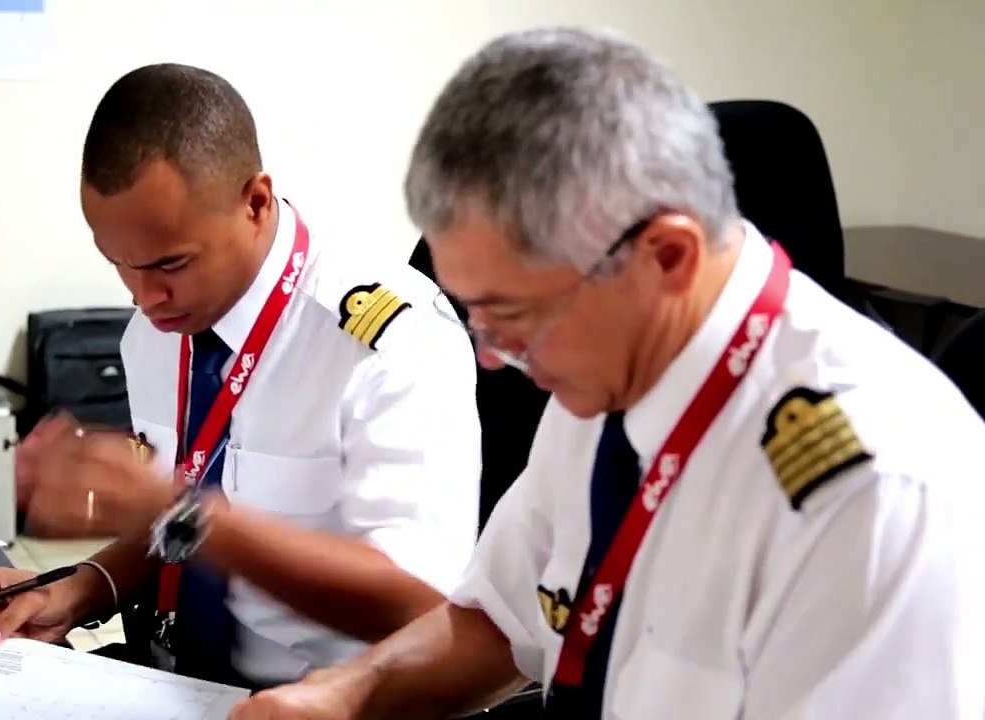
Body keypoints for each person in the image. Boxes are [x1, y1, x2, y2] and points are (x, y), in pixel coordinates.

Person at [228, 26, 985, 719]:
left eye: (513, 316)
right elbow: (500, 618)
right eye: (475, 318)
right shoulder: (611, 377)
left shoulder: (874, 494)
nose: (493, 357)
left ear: (667, 257)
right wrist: (342, 695)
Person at [0, 63, 481, 690]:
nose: (145, 297)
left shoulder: (387, 342)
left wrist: (186, 515)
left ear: (255, 202)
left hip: (319, 699)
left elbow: (418, 604)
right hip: (170, 678)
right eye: (119, 262)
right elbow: (171, 530)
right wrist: (83, 586)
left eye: (170, 262)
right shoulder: (158, 328)